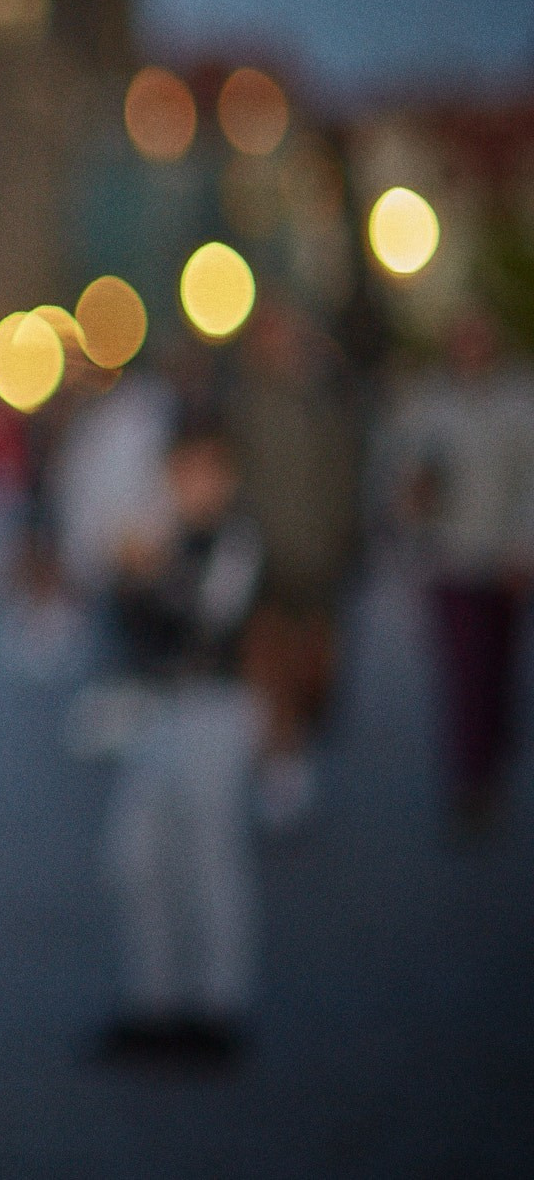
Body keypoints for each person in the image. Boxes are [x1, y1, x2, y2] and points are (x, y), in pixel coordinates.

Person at [94, 416, 265, 1069]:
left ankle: (220, 1004)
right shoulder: (163, 534)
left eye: (202, 472)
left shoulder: (234, 538)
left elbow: (206, 616)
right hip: (155, 707)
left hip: (214, 706)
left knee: (212, 857)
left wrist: (151, 575)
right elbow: (125, 618)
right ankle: (153, 999)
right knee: (136, 854)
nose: (190, 485)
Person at [386, 310, 534, 837]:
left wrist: (523, 546)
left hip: (503, 560)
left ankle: (494, 749)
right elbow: (406, 476)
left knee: (498, 671)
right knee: (464, 674)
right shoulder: (431, 404)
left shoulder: (519, 398)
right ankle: (471, 779)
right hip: (452, 559)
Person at [227, 296, 361, 830]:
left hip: (319, 557)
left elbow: (347, 474)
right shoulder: (242, 403)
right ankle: (280, 765)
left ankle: (298, 747)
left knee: (315, 668)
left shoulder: (328, 400)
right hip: (264, 558)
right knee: (270, 666)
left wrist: (345, 540)